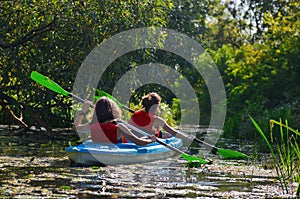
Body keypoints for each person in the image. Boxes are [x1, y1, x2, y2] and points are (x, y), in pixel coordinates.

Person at [74, 96, 156, 146]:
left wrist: (83, 111)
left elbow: (76, 127)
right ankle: (149, 137)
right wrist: (150, 141)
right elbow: (138, 142)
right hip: (115, 152)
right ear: (112, 111)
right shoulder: (120, 127)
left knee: (143, 137)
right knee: (143, 137)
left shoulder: (92, 126)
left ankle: (147, 137)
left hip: (98, 151)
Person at [130, 92, 194, 142]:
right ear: (156, 106)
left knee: (160, 133)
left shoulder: (135, 114)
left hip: (133, 141)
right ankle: (161, 138)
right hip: (147, 141)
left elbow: (128, 127)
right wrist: (187, 138)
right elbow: (173, 132)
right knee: (168, 135)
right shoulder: (157, 120)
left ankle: (161, 137)